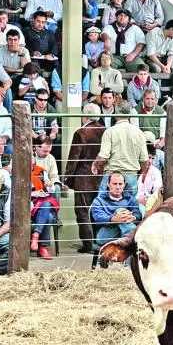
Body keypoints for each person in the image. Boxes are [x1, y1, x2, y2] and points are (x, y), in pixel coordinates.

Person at [64, 104, 106, 253]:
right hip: (101, 178)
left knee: (83, 212)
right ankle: (100, 242)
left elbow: (74, 158)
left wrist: (67, 178)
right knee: (98, 210)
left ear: (85, 116)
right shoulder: (106, 131)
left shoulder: (81, 133)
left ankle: (89, 244)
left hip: (83, 178)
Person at [91, 105, 150, 196]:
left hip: (112, 174)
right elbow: (145, 160)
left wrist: (95, 164)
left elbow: (104, 156)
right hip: (131, 175)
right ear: (129, 114)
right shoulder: (139, 133)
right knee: (130, 207)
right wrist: (142, 175)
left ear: (116, 113)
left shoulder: (110, 131)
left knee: (103, 205)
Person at [90, 171, 143, 259]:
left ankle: (127, 240)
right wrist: (113, 218)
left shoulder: (130, 199)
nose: (117, 187)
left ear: (124, 184)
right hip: (105, 235)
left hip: (124, 231)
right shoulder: (99, 200)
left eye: (120, 184)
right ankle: (130, 239)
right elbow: (97, 217)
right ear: (108, 184)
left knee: (122, 214)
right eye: (114, 184)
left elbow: (138, 214)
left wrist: (133, 217)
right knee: (121, 211)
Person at [29, 136, 61, 259]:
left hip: (42, 198)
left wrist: (50, 185)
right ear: (35, 148)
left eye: (49, 150)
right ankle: (43, 247)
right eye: (44, 150)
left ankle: (36, 237)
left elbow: (53, 182)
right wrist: (33, 193)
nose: (32, 161)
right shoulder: (20, 168)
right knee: (48, 216)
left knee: (47, 206)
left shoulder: (42, 170)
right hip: (28, 201)